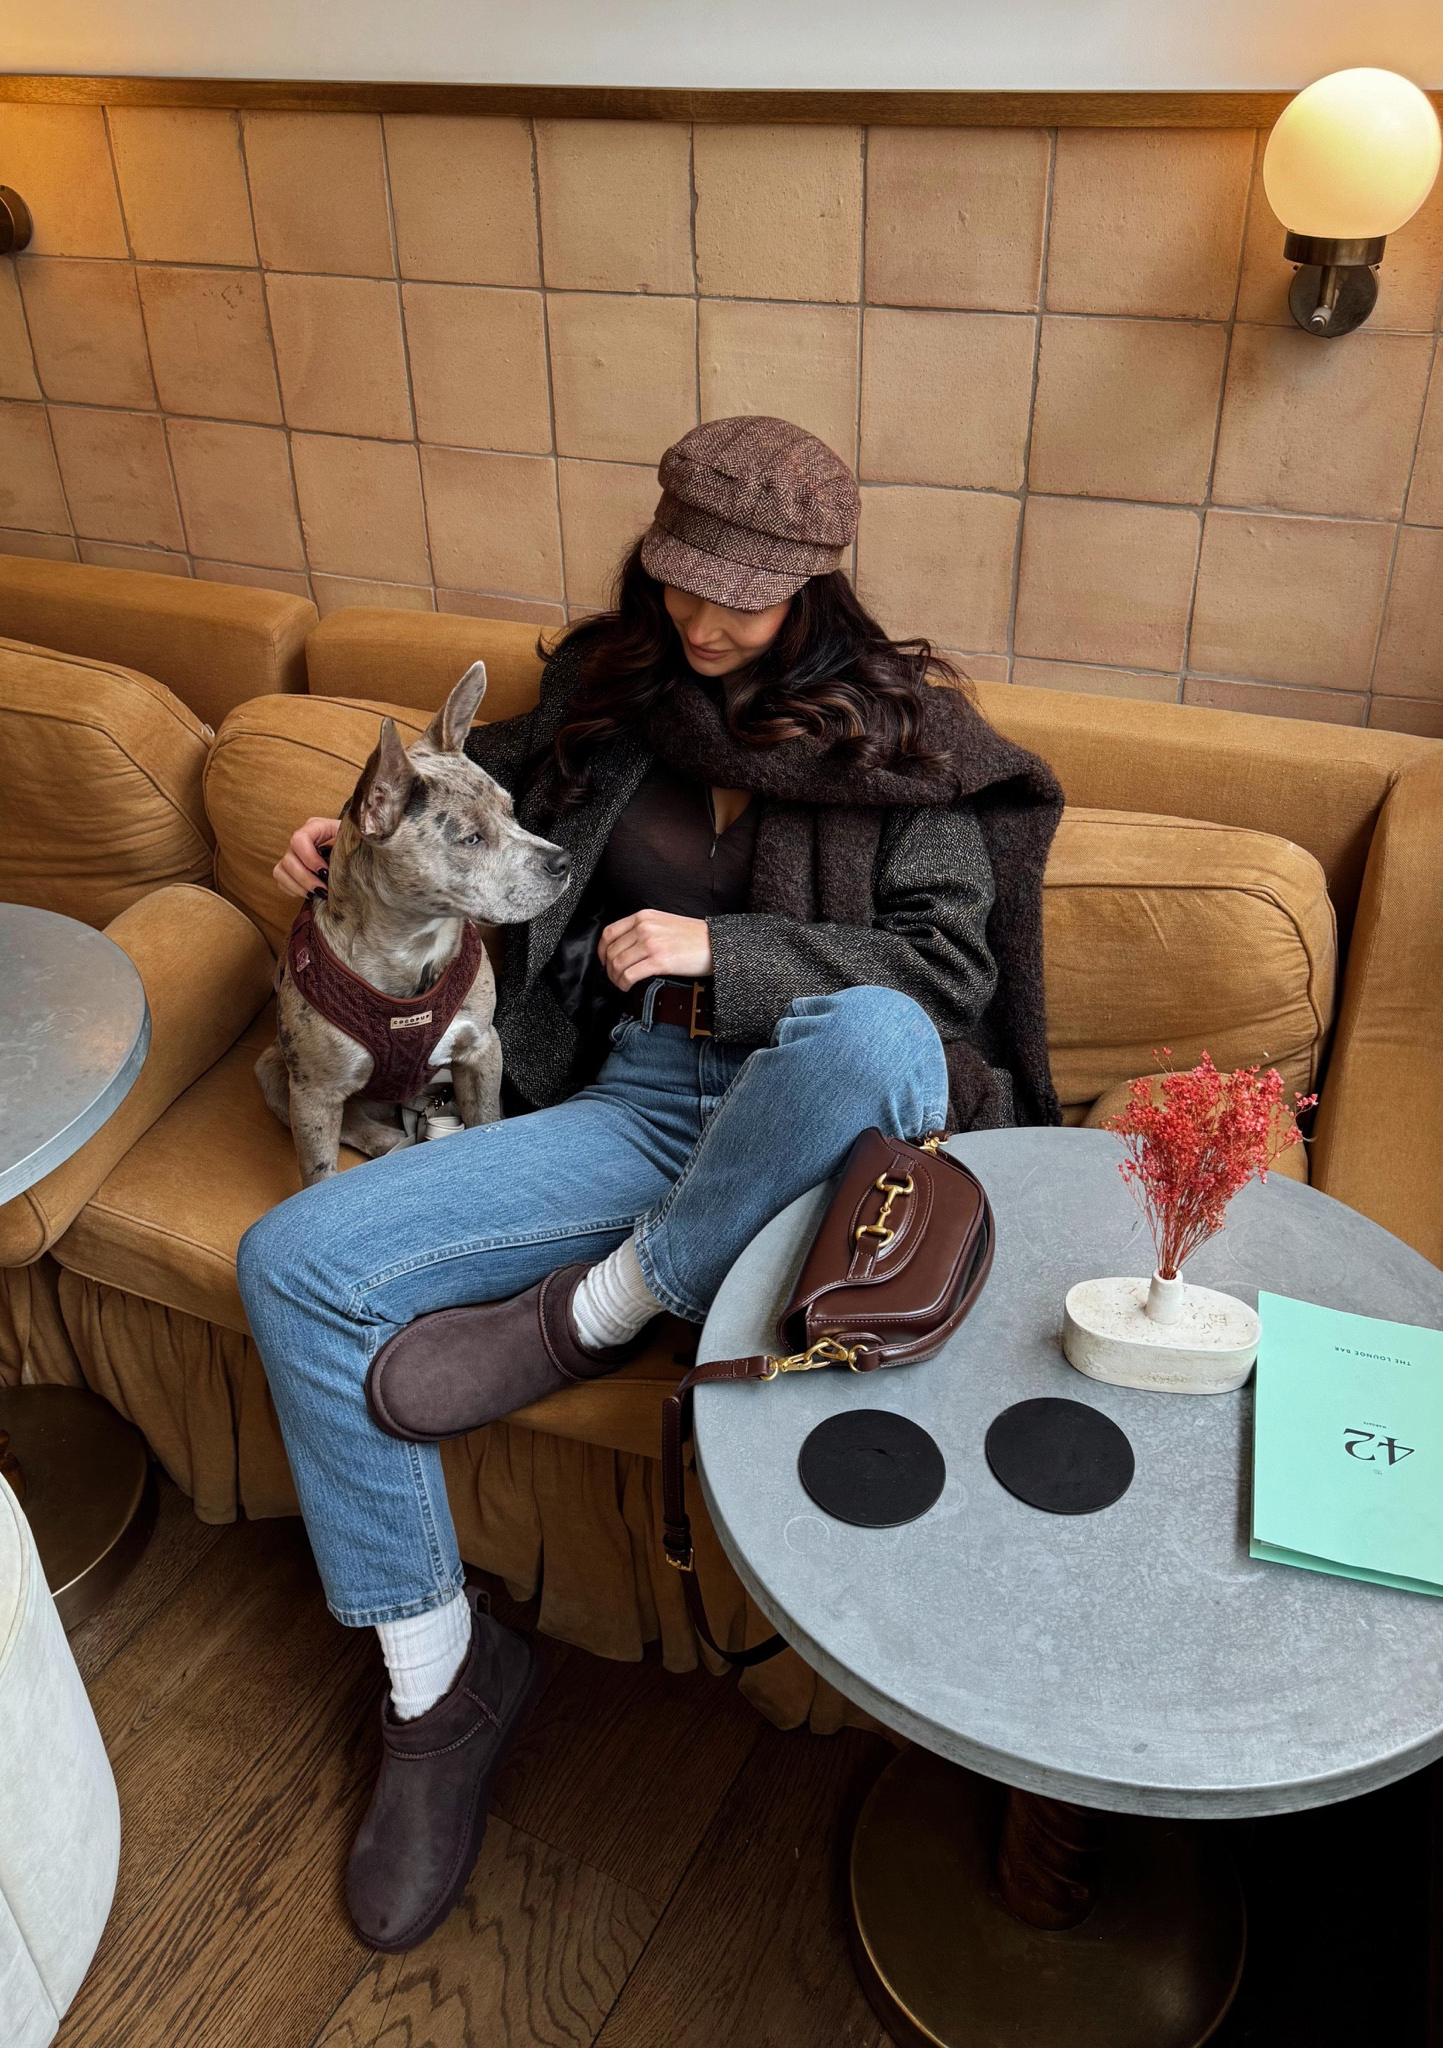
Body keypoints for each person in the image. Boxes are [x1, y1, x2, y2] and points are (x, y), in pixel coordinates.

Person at [237, 415, 1063, 1954]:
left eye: (741, 599)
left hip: (819, 1136)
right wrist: (345, 847)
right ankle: (441, 1682)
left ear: (815, 585)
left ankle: (605, 1305)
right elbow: (438, 799)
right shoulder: (610, 695)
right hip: (637, 1107)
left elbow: (948, 979)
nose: (702, 623)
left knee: (873, 1027)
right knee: (290, 1261)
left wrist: (724, 950)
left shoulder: (906, 734)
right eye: (685, 583)